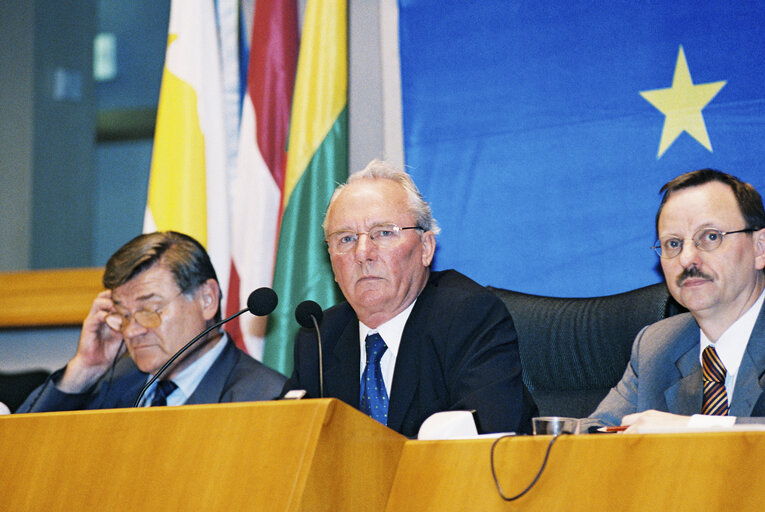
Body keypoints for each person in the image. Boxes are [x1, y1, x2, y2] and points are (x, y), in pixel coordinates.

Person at [283, 159, 534, 437]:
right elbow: (289, 442)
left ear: (426, 248)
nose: (362, 253)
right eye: (345, 239)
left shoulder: (468, 317)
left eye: (384, 233)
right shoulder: (319, 337)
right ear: (331, 262)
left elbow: (482, 442)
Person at [17, 231, 285, 413]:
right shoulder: (114, 382)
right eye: (123, 314)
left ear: (207, 299)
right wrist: (86, 368)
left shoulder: (263, 398)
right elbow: (20, 453)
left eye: (149, 309)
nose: (132, 331)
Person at [591, 169, 765, 430]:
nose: (687, 259)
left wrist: (689, 430)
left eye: (710, 237)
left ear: (759, 248)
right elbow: (593, 437)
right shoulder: (657, 347)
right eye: (673, 243)